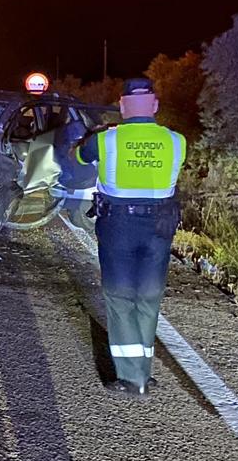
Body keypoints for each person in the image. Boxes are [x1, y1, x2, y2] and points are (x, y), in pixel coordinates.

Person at [74, 77, 186, 399]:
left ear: (122, 106)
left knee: (121, 298)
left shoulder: (107, 140)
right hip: (160, 227)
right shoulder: (177, 141)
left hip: (119, 224)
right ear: (155, 105)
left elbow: (80, 156)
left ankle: (131, 379)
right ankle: (144, 374)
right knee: (148, 299)